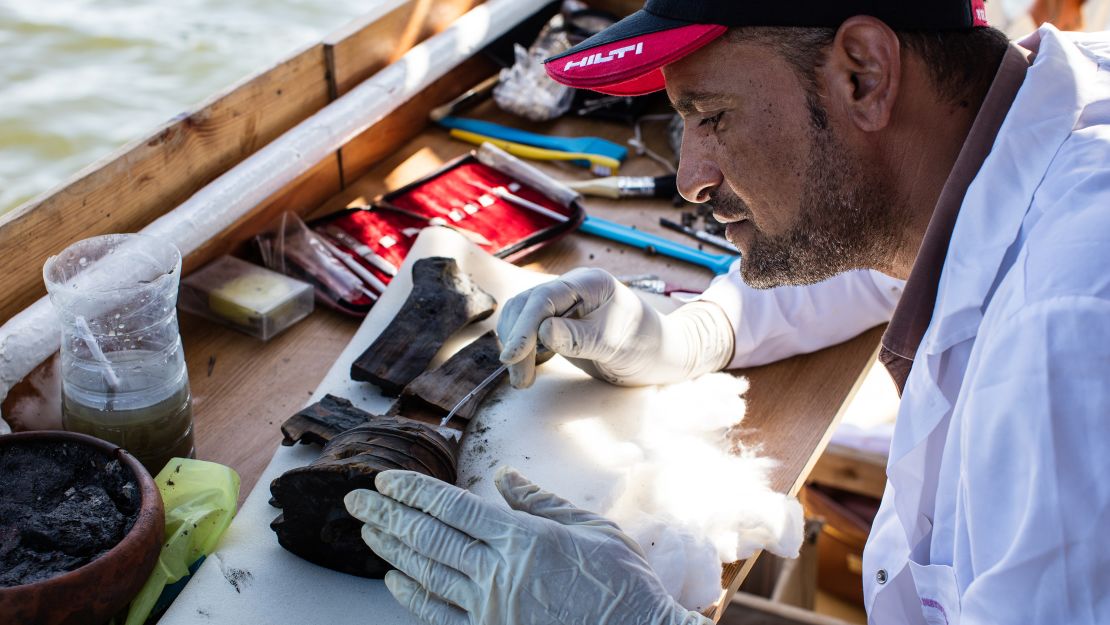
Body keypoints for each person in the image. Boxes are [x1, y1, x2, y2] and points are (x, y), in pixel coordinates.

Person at [344, 1, 1110, 623]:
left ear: (864, 74)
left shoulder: (1066, 333)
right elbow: (885, 246)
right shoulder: (1024, 124)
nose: (690, 179)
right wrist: (693, 332)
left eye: (710, 115)